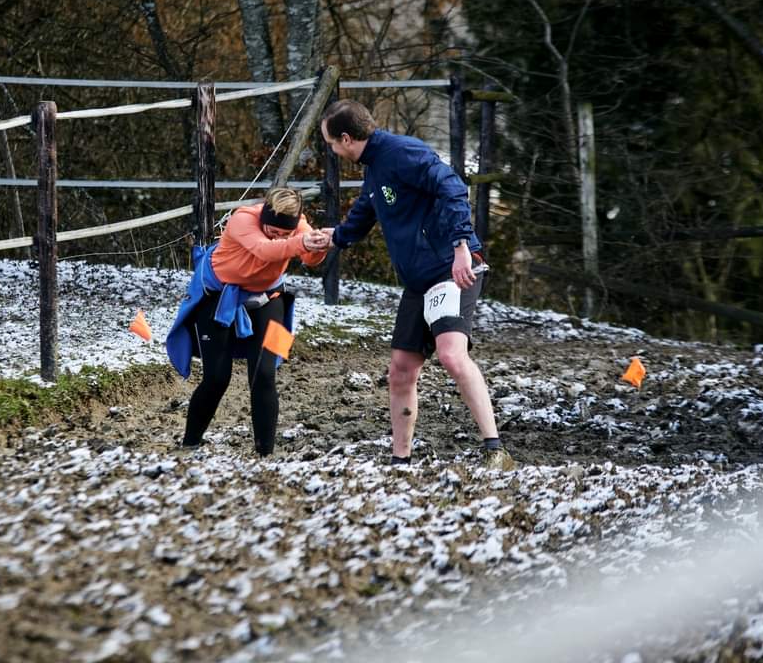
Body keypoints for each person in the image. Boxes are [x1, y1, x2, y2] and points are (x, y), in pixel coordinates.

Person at [319, 99, 514, 470]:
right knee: (401, 369)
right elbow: (365, 212)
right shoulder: (374, 168)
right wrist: (334, 238)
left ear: (346, 139)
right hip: (420, 281)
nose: (332, 151)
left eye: (331, 143)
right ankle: (400, 460)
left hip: (451, 268)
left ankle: (496, 450)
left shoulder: (402, 153)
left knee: (451, 355)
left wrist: (460, 246)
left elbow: (453, 187)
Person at [165, 187, 329, 456]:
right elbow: (264, 251)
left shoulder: (299, 225)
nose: (279, 237)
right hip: (217, 297)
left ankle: (265, 453)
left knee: (265, 374)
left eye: (285, 234)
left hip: (270, 297)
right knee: (217, 378)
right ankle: (190, 442)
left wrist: (319, 246)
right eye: (273, 231)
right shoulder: (242, 219)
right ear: (264, 217)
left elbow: (310, 258)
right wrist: (300, 242)